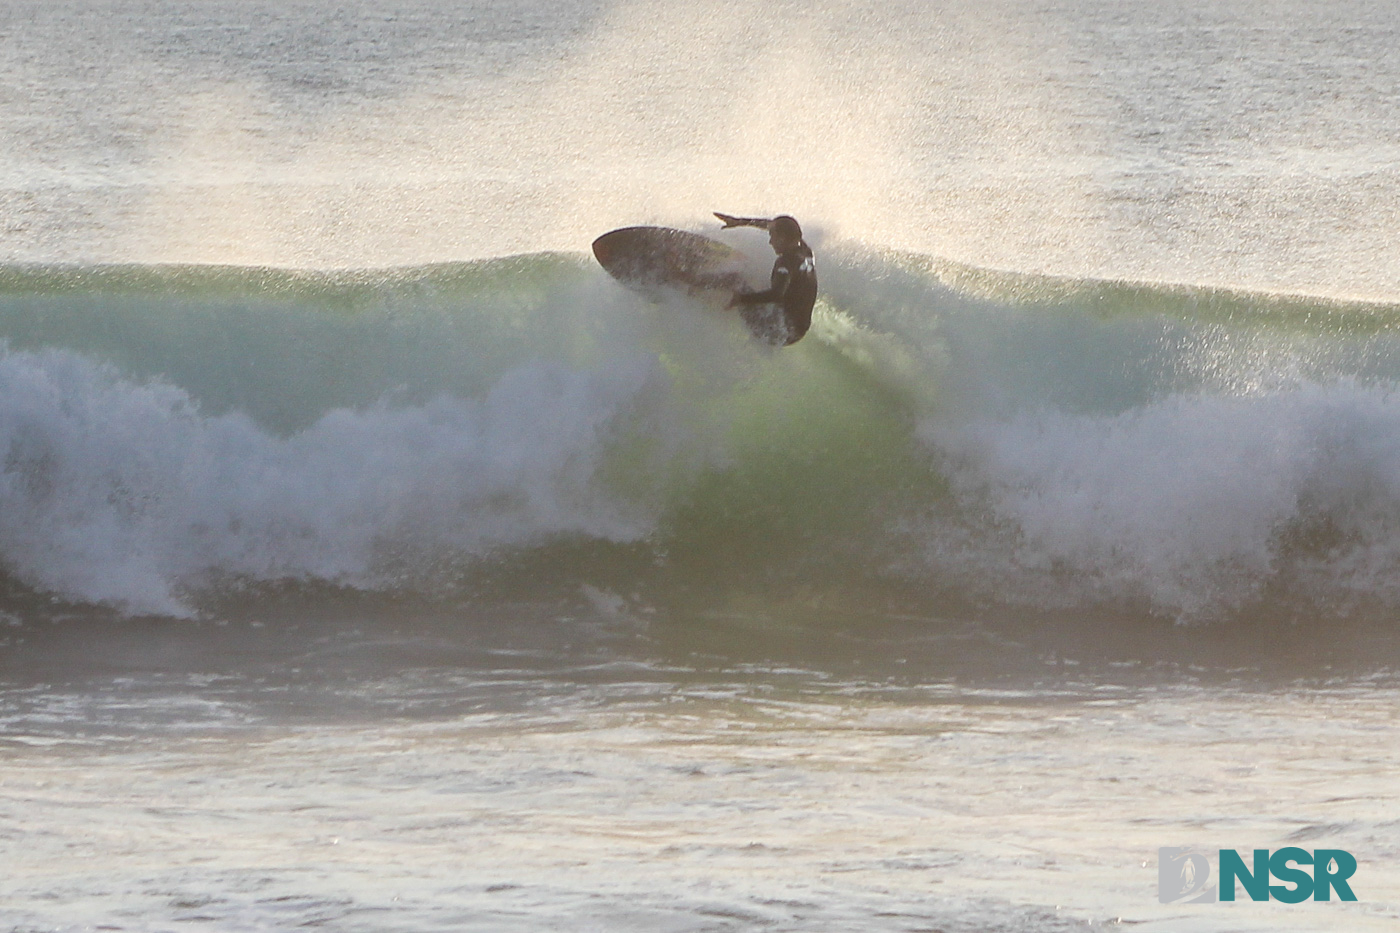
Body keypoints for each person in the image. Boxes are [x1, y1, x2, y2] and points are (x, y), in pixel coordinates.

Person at [714, 212, 817, 346]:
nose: (770, 241)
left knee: (736, 280)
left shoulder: (785, 262)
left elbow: (776, 295)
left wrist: (741, 299)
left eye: (772, 236)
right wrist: (740, 221)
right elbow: (772, 225)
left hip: (777, 331)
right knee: (759, 280)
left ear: (782, 238)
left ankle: (690, 278)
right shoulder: (805, 251)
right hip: (797, 330)